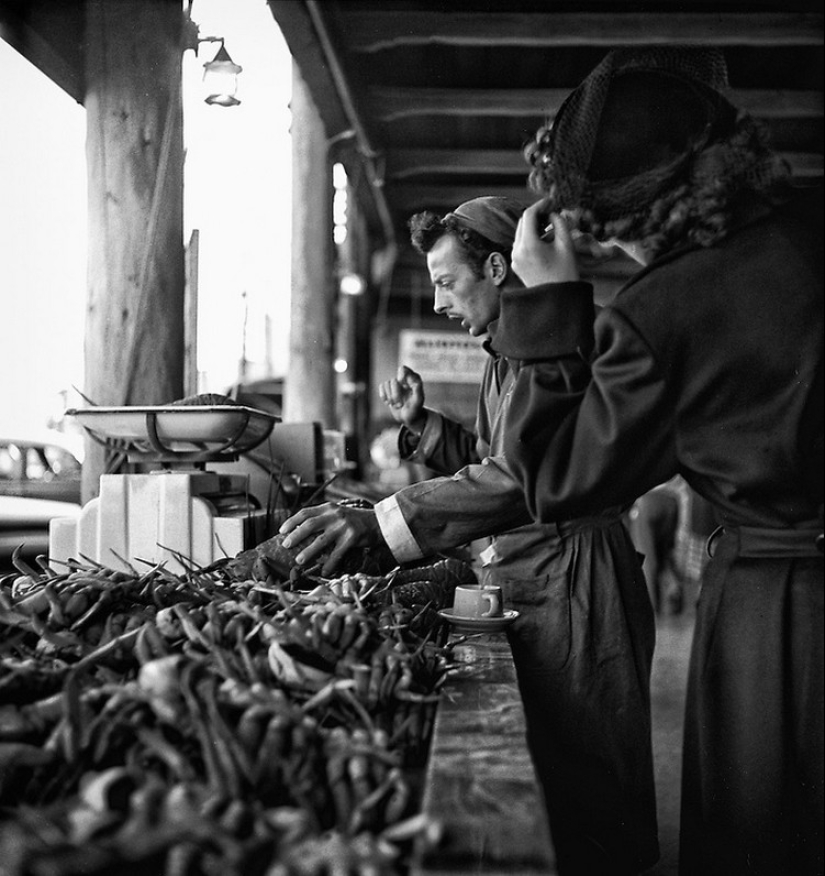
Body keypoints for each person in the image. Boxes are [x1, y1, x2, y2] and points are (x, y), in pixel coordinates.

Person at [490, 46, 823, 876]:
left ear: (607, 223)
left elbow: (556, 482)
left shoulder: (659, 314)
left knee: (768, 833)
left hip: (780, 612)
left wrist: (549, 305)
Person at [280, 196, 660, 875]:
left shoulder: (567, 337)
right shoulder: (506, 353)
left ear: (496, 265)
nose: (435, 303)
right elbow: (493, 454)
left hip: (574, 574)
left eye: (446, 281)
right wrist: (423, 426)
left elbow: (517, 477)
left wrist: (383, 519)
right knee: (554, 762)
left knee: (589, 766)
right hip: (535, 573)